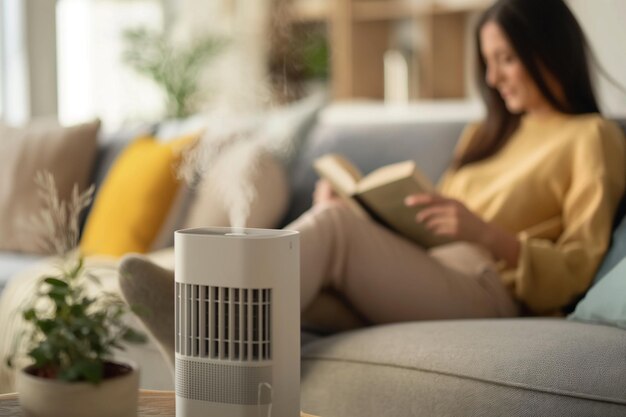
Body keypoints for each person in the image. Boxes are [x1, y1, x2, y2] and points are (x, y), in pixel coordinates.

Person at [289, 0, 626, 325]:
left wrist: (484, 233)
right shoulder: (486, 132)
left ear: (552, 50)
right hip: (430, 268)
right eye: (487, 63)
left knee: (331, 228)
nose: (493, 79)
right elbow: (428, 230)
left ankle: (242, 274)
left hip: (487, 286)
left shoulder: (592, 136)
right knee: (307, 303)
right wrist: (360, 213)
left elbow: (578, 271)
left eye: (506, 59)